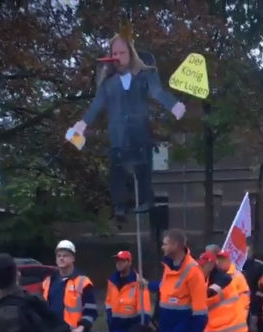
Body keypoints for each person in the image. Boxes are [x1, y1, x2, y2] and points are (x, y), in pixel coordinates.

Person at [72, 30, 186, 216]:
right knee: (117, 168)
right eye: (114, 54)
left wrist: (173, 105)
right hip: (117, 132)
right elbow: (97, 105)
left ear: (131, 53)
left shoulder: (144, 74)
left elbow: (157, 92)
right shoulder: (108, 83)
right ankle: (120, 205)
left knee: (142, 165)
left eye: (122, 53)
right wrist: (82, 124)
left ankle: (145, 201)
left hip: (139, 129)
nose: (117, 57)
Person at [104, 250, 152, 332]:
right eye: (117, 261)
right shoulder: (112, 282)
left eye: (122, 261)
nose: (119, 263)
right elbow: (108, 303)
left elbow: (144, 313)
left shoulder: (139, 282)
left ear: (129, 263)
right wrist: (109, 319)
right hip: (114, 329)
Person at [241, 251, 263, 332]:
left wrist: (260, 292)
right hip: (244, 298)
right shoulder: (238, 265)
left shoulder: (260, 265)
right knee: (246, 323)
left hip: (257, 297)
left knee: (260, 321)